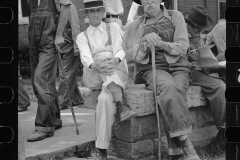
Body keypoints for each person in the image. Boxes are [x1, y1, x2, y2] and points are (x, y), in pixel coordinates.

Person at [123, 0, 201, 159]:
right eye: (145, 0)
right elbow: (131, 55)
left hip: (179, 65)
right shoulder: (136, 25)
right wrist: (144, 45)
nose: (149, 2)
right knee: (169, 88)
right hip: (153, 68)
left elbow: (183, 46)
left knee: (174, 92)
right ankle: (186, 144)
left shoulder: (175, 17)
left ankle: (175, 153)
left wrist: (161, 43)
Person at [76, 0, 137, 159]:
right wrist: (97, 66)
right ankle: (121, 104)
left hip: (117, 72)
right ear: (86, 15)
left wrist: (114, 60)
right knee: (101, 56)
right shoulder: (82, 37)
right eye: (92, 11)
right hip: (95, 77)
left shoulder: (114, 27)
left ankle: (101, 149)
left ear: (103, 12)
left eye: (98, 10)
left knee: (104, 99)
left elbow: (122, 50)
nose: (95, 14)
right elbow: (85, 58)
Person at [184, 5, 226, 157]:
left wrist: (207, 63)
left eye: (202, 29)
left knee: (222, 84)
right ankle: (224, 133)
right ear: (188, 24)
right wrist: (190, 60)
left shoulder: (196, 34)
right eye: (197, 29)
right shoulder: (178, 31)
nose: (200, 33)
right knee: (220, 86)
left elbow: (202, 55)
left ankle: (225, 130)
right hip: (180, 71)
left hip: (197, 70)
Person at [27, 0, 63, 142]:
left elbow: (67, 7)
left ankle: (44, 127)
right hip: (33, 39)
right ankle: (54, 119)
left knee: (41, 78)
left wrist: (59, 34)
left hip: (48, 39)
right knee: (40, 83)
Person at [54, 0, 84, 110]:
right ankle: (76, 99)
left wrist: (76, 45)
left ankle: (62, 102)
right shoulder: (56, 7)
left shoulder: (69, 6)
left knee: (66, 74)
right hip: (61, 44)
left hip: (69, 44)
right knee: (68, 73)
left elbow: (75, 26)